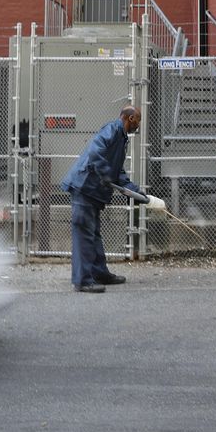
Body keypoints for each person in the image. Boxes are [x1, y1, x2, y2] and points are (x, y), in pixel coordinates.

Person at [61, 105, 143, 293]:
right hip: (85, 187)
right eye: (138, 120)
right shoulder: (112, 130)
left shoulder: (120, 137)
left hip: (91, 190)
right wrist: (105, 173)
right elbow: (95, 152)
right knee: (84, 234)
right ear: (130, 118)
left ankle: (99, 273)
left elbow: (118, 172)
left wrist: (135, 192)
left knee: (93, 233)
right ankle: (82, 280)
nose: (138, 124)